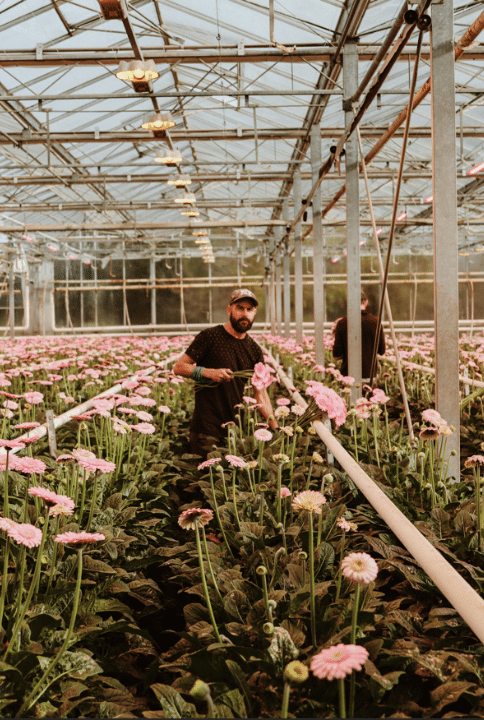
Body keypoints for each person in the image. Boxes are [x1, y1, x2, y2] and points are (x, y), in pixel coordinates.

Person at [173, 288, 277, 458]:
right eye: (240, 308)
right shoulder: (210, 337)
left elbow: (261, 393)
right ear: (229, 310)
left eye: (249, 310)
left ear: (255, 313)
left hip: (234, 430)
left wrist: (275, 427)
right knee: (207, 480)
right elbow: (179, 367)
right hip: (206, 429)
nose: (245, 314)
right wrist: (208, 372)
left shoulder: (254, 350)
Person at [332, 291, 386, 381]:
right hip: (369, 376)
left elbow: (337, 354)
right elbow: (381, 351)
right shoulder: (376, 322)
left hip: (348, 377)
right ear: (366, 302)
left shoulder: (342, 323)